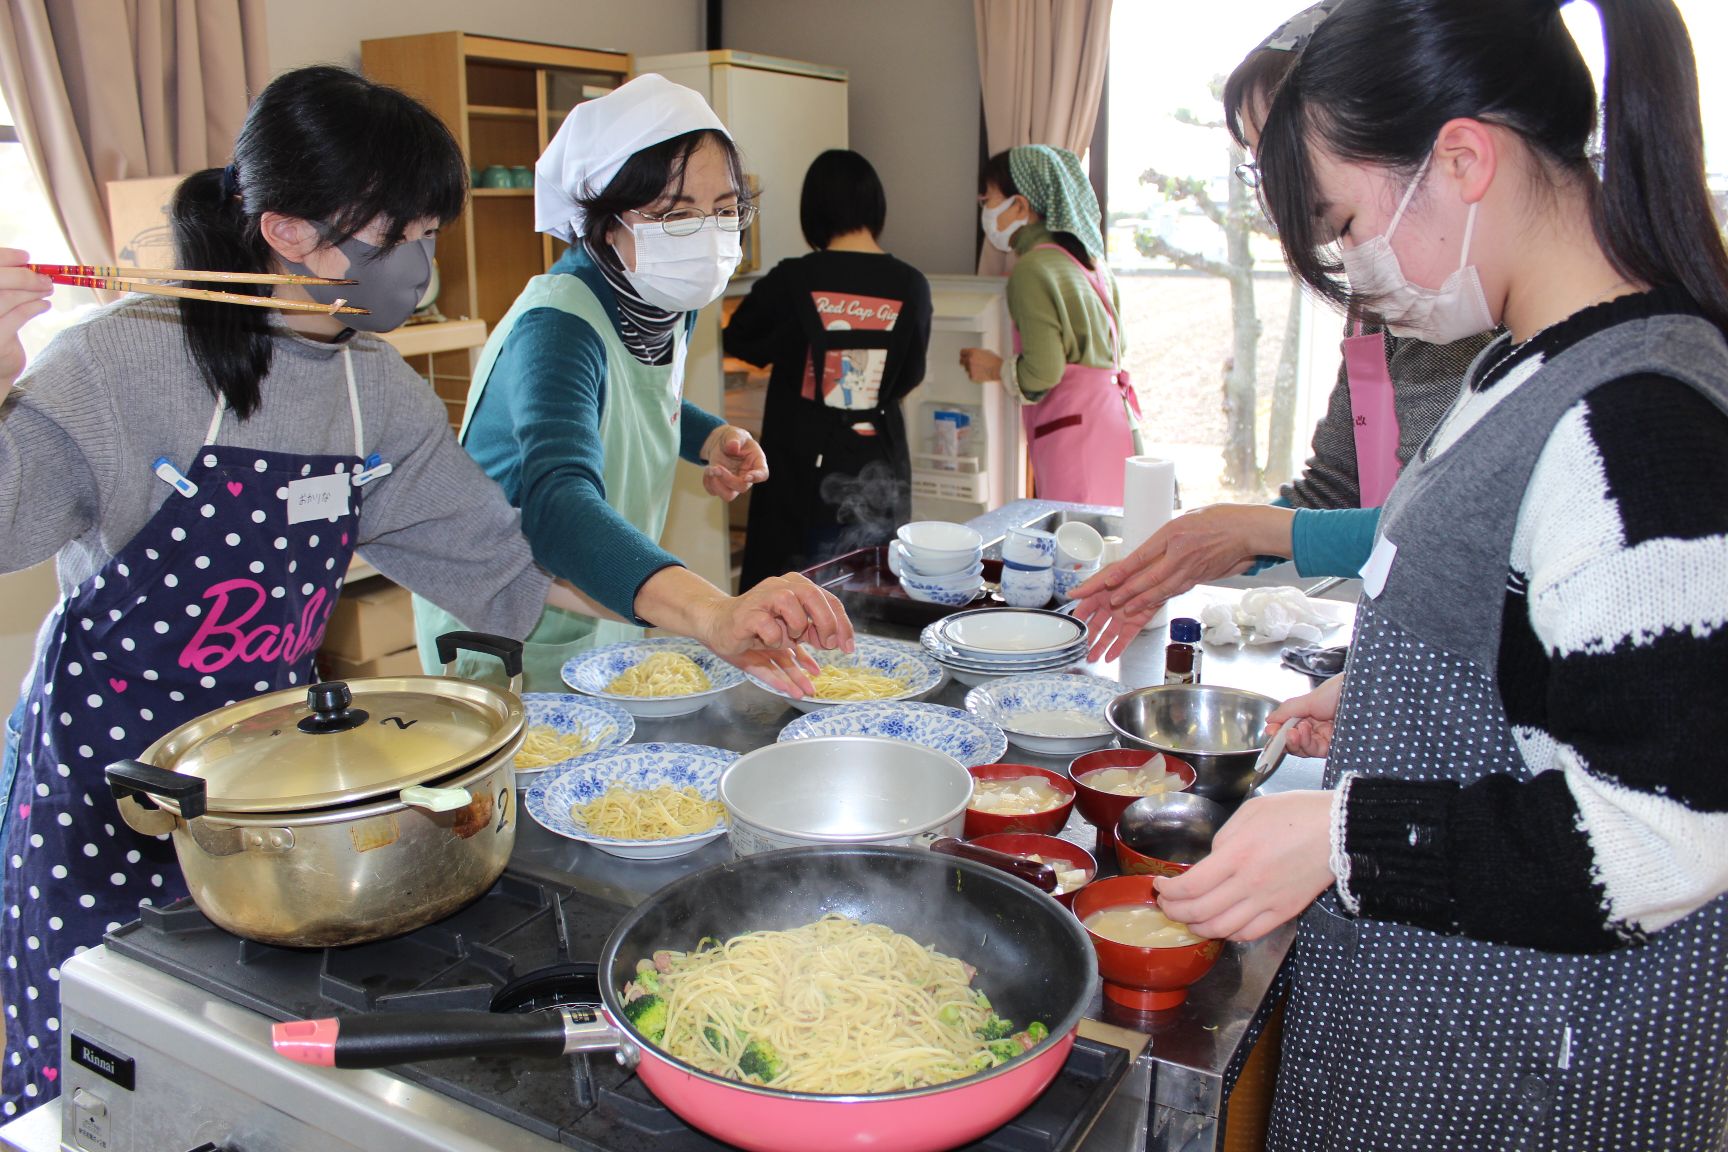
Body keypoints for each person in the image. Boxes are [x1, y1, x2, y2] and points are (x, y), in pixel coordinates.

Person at [0, 66, 655, 1115]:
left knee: (246, 1061)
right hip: (111, 786)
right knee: (102, 1061)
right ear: (290, 231)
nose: (423, 269)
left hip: (275, 795)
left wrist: (689, 613)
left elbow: (499, 553)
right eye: (402, 236)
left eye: (433, 235)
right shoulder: (120, 366)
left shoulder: (375, 391)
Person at [1147, 2, 1728, 1148]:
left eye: (1347, 221)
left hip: (1528, 1070)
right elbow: (1533, 653)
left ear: (1462, 158)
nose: (1351, 268)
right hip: (1434, 1021)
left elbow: (1668, 832)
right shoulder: (1521, 363)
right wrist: (1388, 700)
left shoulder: (1636, 420)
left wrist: (1339, 838)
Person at [1073, 5, 1499, 661]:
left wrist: (1251, 530)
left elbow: (1466, 532)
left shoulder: (1493, 316)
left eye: (1279, 150)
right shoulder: (1396, 287)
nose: (1279, 188)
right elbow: (1336, 487)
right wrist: (1209, 542)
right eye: (1257, 161)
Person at [413, 75, 852, 692]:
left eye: (726, 209)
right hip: (513, 626)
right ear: (603, 220)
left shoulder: (663, 294)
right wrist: (710, 612)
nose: (706, 234)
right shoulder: (556, 328)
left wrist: (705, 436)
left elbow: (633, 392)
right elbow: (558, 505)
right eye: (675, 214)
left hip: (602, 592)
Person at [723, 149, 932, 588]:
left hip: (800, 466)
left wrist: (794, 345)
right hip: (877, 462)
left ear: (813, 211)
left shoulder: (793, 279)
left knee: (787, 598)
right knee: (874, 590)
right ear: (876, 207)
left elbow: (738, 336)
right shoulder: (911, 284)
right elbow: (910, 374)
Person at [958, 145, 1139, 505]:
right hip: (1116, 426)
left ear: (1021, 206)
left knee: (1074, 544)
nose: (985, 210)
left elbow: (1043, 371)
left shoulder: (1032, 270)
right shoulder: (1094, 267)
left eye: (989, 199)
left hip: (1074, 440)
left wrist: (995, 368)